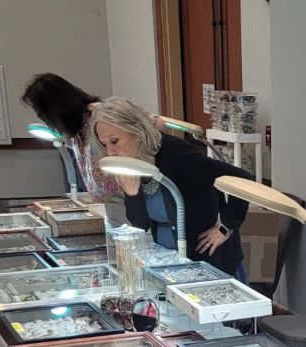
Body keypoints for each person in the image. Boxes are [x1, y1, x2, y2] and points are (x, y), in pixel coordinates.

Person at [91, 97, 252, 280]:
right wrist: (132, 194)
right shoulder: (135, 164)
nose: (110, 151)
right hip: (170, 260)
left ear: (137, 129)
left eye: (114, 141)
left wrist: (227, 226)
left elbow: (243, 178)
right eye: (105, 144)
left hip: (208, 261)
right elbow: (141, 225)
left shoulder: (180, 156)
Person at [20, 73, 122, 202]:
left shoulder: (100, 116)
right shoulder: (75, 129)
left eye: (43, 114)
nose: (42, 118)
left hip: (126, 201)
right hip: (106, 205)